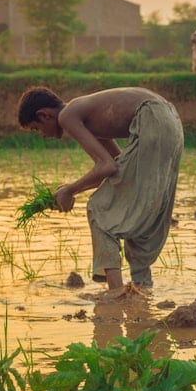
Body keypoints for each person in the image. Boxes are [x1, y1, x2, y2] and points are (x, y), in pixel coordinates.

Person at [16, 86, 184, 296]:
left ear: (44, 115)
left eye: (36, 128)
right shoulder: (86, 117)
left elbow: (106, 167)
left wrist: (70, 190)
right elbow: (116, 165)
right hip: (170, 119)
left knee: (99, 209)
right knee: (131, 207)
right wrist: (69, 190)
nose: (41, 135)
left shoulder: (68, 115)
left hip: (153, 118)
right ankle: (142, 288)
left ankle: (116, 292)